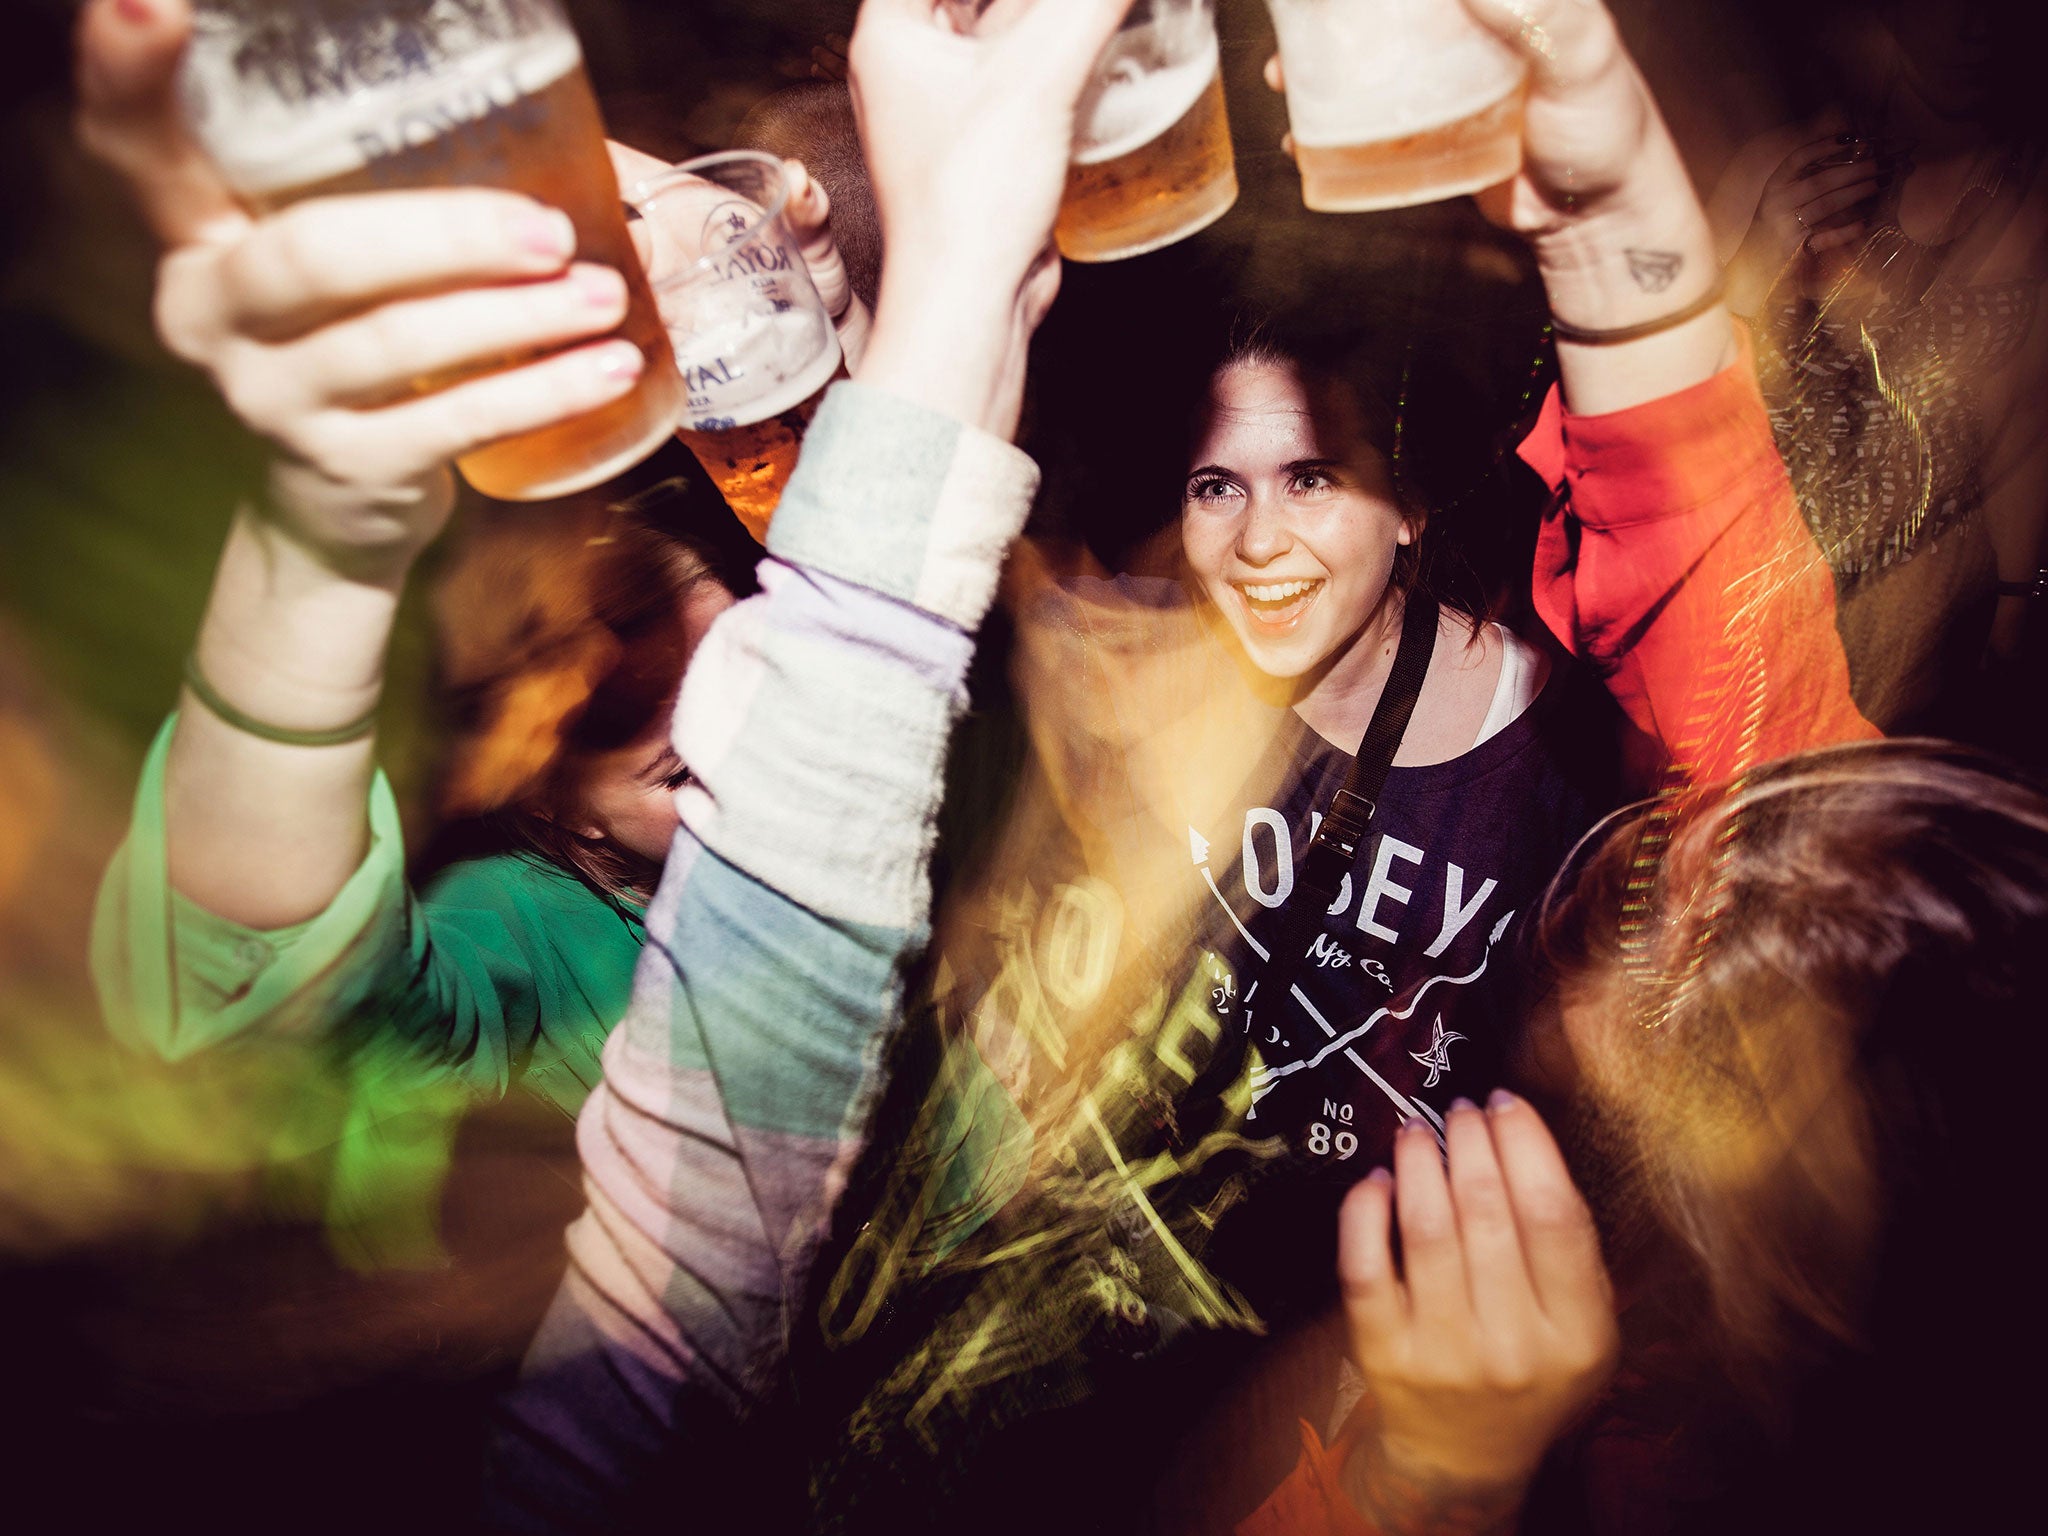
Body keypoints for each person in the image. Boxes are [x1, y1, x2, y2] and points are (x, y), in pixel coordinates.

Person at [488, 0, 1878, 1531]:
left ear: (1408, 508)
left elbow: (1742, 716)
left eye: (1312, 481)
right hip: (1126, 1351)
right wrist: (864, 358)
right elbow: (898, 657)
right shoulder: (1146, 667)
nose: (1258, 540)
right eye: (1218, 483)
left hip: (1373, 1339)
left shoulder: (1564, 764)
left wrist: (1441, 1453)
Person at [73, 0, 893, 1263]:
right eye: (669, 761)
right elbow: (258, 1001)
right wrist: (327, 529)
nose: (716, 676)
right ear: (547, 794)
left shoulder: (889, 774)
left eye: (734, 626)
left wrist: (837, 353)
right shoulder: (532, 930)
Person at [1247, 737, 2047, 1535]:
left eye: (1696, 1031)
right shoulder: (1625, 1238)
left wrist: (1435, 1478)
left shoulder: (1671, 1476)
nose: (1601, 977)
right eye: (1656, 881)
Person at [1707, 0, 2048, 751]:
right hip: (1743, 585)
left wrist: (2013, 617)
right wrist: (1762, 253)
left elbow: (2021, 427)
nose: (1972, 25)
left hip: (1905, 627)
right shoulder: (1782, 164)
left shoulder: (2030, 209)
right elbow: (1663, 401)